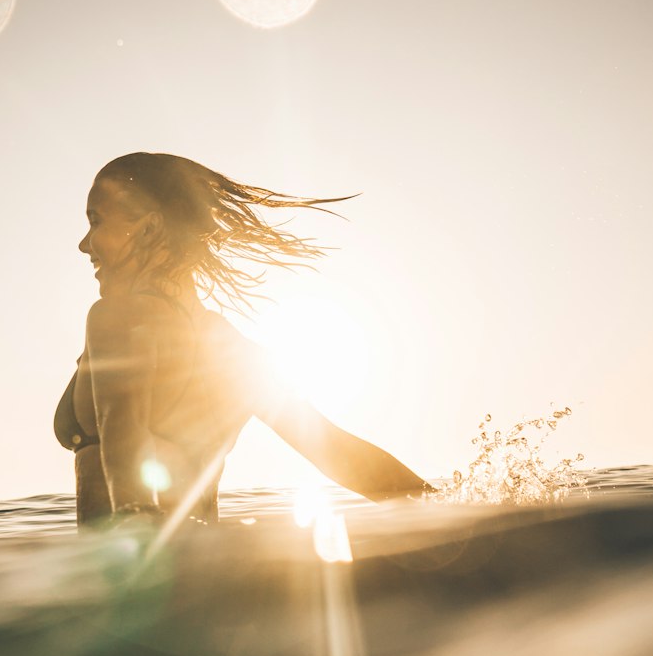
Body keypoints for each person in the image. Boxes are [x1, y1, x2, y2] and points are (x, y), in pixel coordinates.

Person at [55, 152, 431, 526]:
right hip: (209, 571)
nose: (84, 245)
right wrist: (456, 511)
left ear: (150, 229)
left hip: (137, 571)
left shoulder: (116, 317)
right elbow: (340, 455)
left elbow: (124, 433)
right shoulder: (234, 353)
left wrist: (133, 549)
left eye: (96, 221)